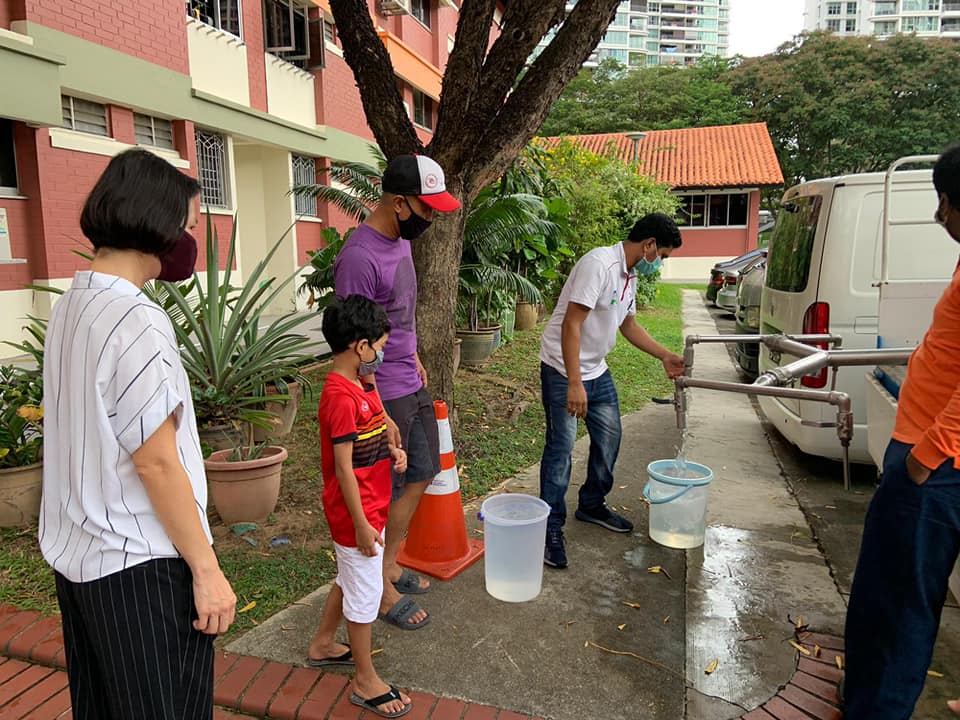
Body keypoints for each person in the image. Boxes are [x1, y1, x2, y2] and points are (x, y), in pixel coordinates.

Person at [39, 149, 236, 719]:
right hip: (141, 567)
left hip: (82, 563)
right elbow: (156, 461)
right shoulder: (138, 320)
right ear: (158, 222)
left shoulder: (73, 305)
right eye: (188, 227)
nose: (188, 242)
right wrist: (206, 569)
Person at [843, 143, 960, 720]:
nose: (939, 216)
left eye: (944, 204)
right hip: (924, 450)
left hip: (934, 463)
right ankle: (866, 699)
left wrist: (929, 455)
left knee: (899, 602)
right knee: (885, 590)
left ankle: (877, 710)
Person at [333, 154, 461, 629]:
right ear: (399, 203)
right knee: (381, 494)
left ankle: (389, 563)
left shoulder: (399, 240)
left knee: (423, 472)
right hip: (381, 392)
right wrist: (376, 408)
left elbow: (397, 314)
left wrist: (417, 355)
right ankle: (380, 590)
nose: (432, 219)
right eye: (427, 210)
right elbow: (354, 342)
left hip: (410, 377)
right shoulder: (359, 258)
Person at [539, 212, 686, 569]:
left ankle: (591, 504)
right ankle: (550, 528)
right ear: (649, 244)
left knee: (610, 438)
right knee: (561, 449)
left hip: (597, 370)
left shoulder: (629, 274)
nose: (660, 262)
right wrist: (574, 382)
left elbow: (628, 324)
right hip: (563, 369)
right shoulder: (599, 265)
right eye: (662, 255)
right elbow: (572, 324)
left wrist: (665, 355)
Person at [306, 294, 411, 718]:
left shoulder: (361, 383)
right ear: (359, 347)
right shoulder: (340, 397)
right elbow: (343, 469)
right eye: (379, 346)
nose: (382, 354)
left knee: (350, 578)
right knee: (365, 596)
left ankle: (323, 643)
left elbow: (375, 421)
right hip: (358, 517)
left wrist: (391, 443)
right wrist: (362, 525)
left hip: (372, 508)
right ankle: (365, 680)